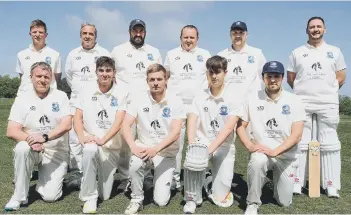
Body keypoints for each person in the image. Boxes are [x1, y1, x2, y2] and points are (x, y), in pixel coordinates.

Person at [287, 16, 347, 198]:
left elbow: (341, 76)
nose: (315, 29)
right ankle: (297, 182)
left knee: (329, 143)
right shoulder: (297, 52)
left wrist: (326, 91)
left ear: (324, 30)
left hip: (327, 102)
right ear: (307, 30)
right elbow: (291, 78)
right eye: (312, 27)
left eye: (318, 26)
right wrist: (305, 92)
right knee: (300, 141)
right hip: (303, 102)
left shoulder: (334, 51)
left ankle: (331, 184)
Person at [237, 61, 305, 215]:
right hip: (262, 152)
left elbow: (297, 135)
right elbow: (240, 126)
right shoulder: (252, 98)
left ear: (282, 78)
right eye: (269, 76)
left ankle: (272, 178)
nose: (272, 80)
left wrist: (275, 151)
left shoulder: (294, 100)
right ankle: (253, 203)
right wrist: (249, 145)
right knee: (257, 161)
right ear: (263, 78)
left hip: (285, 156)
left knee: (284, 202)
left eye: (276, 76)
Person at [4, 62, 72, 211]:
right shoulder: (22, 97)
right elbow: (11, 130)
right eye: (39, 76)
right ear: (31, 77)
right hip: (33, 147)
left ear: (51, 79)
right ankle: (19, 196)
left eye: (46, 77)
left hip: (56, 152)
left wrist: (45, 137)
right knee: (22, 148)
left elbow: (66, 124)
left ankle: (44, 182)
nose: (43, 79)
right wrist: (32, 140)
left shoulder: (60, 96)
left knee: (50, 197)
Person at [122, 64, 185, 214]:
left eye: (159, 79)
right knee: (136, 162)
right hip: (144, 148)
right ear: (147, 81)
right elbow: (125, 124)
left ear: (166, 80)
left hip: (165, 154)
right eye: (152, 80)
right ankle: (136, 198)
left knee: (161, 202)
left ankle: (151, 179)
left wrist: (155, 149)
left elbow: (176, 132)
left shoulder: (176, 101)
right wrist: (132, 146)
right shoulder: (139, 99)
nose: (155, 82)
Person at [183, 55, 241, 214]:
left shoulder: (234, 96)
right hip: (203, 142)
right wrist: (193, 144)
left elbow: (229, 128)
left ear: (225, 73)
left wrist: (210, 150)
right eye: (211, 72)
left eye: (218, 72)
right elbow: (192, 119)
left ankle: (207, 180)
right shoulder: (200, 95)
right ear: (207, 74)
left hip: (224, 146)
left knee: (220, 198)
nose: (214, 76)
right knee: (194, 159)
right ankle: (191, 199)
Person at [111, 19, 162, 191]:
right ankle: (126, 177)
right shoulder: (118, 51)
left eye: (141, 30)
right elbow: (112, 75)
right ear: (130, 31)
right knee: (126, 141)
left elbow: (159, 76)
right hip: (125, 103)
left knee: (147, 137)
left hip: (149, 102)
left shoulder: (154, 51)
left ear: (145, 32)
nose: (138, 34)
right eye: (135, 30)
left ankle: (146, 175)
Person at [72, 56, 128, 213]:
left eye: (108, 70)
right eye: (101, 70)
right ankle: (90, 197)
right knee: (90, 150)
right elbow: (77, 116)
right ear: (96, 72)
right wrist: (82, 137)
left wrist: (103, 140)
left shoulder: (122, 92)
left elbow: (119, 120)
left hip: (110, 145)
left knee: (105, 195)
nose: (105, 74)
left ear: (114, 72)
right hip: (91, 141)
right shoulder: (86, 89)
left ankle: (89, 183)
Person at [164, 24, 211, 190]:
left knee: (196, 142)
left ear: (197, 39)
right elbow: (166, 77)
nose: (189, 40)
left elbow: (210, 78)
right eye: (186, 37)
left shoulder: (205, 55)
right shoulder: (171, 54)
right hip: (176, 106)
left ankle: (198, 176)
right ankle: (175, 179)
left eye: (192, 37)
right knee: (175, 143)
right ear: (180, 38)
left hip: (197, 107)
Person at [64, 23, 111, 189]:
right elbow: (69, 77)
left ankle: (97, 170)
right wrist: (79, 91)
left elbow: (108, 75)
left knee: (95, 134)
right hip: (75, 99)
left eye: (91, 33)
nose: (87, 36)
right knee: (75, 137)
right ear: (80, 35)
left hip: (96, 101)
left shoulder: (104, 53)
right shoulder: (72, 54)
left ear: (95, 36)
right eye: (84, 33)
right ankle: (78, 171)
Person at [218, 21, 266, 99]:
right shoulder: (221, 55)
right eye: (234, 33)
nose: (238, 36)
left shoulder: (257, 53)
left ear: (246, 34)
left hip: (251, 102)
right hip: (227, 102)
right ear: (230, 35)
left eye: (241, 33)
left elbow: (265, 78)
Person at [15, 19, 61, 96]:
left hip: (48, 97)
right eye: (34, 32)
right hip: (25, 96)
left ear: (46, 35)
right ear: (30, 34)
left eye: (40, 32)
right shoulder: (21, 54)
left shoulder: (55, 54)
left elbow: (57, 78)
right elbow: (22, 76)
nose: (37, 34)